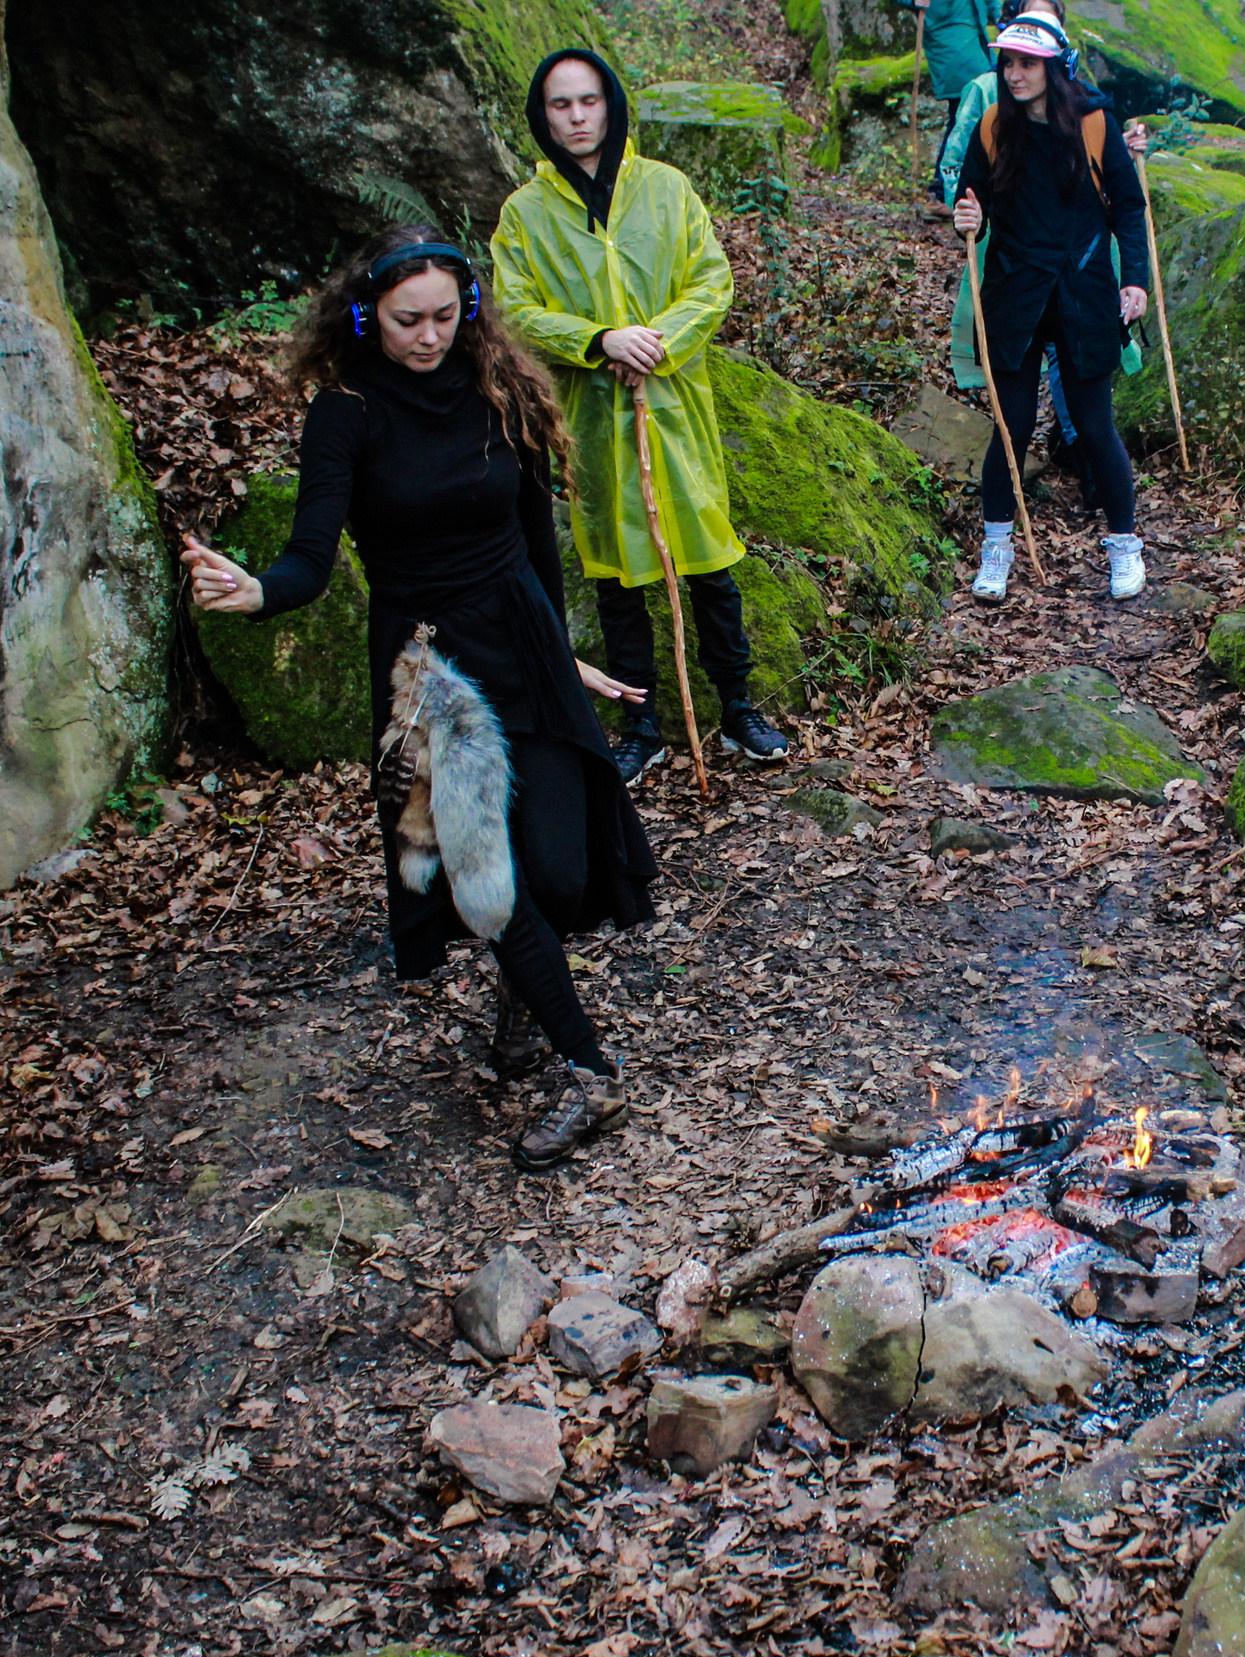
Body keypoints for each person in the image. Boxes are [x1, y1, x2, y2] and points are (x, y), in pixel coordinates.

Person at [178, 228, 654, 1170]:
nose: (429, 336)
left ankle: (525, 990)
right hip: (430, 672)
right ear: (367, 315)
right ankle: (591, 1073)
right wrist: (259, 590)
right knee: (487, 884)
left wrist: (565, 656)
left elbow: (536, 542)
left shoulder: (501, 388)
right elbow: (312, 556)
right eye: (407, 321)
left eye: (445, 316)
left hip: (522, 641)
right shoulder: (345, 415)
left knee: (559, 872)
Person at [492, 48, 792, 785]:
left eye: (588, 100)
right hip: (591, 419)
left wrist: (654, 343)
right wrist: (598, 341)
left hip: (674, 405)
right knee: (616, 576)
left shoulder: (666, 188)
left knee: (710, 563)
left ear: (611, 104)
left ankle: (738, 707)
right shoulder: (525, 214)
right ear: (542, 116)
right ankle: (640, 723)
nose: (577, 117)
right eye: (561, 104)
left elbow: (710, 281)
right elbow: (515, 310)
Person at [950, 16, 1151, 602]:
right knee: (1010, 428)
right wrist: (969, 218)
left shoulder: (1093, 122)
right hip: (1014, 291)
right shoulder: (994, 125)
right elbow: (970, 201)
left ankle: (1124, 545)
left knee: (1094, 426)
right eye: (1008, 63)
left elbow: (1128, 207)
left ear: (1054, 67)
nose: (1015, 74)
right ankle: (996, 549)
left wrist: (1134, 281)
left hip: (1083, 290)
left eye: (1027, 63)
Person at [906, 0, 999, 133]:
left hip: (978, 42)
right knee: (965, 119)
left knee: (980, 115)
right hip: (951, 45)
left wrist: (1002, 19)